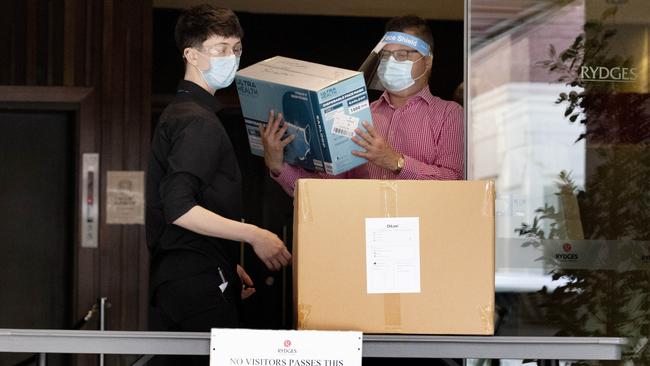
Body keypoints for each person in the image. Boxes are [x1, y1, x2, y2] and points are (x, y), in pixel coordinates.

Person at [145, 4, 291, 359]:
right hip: (192, 279)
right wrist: (255, 234)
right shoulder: (197, 121)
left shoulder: (183, 112)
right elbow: (179, 209)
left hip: (189, 274)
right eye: (220, 49)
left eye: (236, 48)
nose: (232, 57)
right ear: (191, 55)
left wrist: (224, 263)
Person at [261, 15, 464, 195]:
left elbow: (456, 183)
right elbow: (327, 192)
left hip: (425, 230)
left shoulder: (449, 114)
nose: (391, 62)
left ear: (427, 61)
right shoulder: (357, 115)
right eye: (385, 55)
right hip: (362, 229)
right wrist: (279, 167)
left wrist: (396, 162)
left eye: (402, 55)